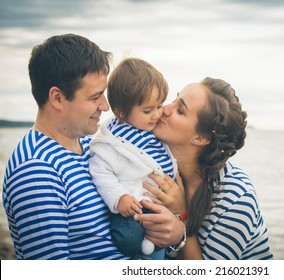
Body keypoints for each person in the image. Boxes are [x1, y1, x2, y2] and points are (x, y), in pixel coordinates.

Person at [1, 34, 185, 260]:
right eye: (95, 96)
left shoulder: (94, 146)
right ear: (57, 98)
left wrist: (177, 231)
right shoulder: (36, 172)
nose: (105, 106)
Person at [135, 77, 273, 260]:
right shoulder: (157, 168)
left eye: (180, 110)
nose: (165, 109)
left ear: (200, 138)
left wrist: (181, 217)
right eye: (174, 99)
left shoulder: (237, 197)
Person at [89, 57, 177, 259]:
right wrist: (120, 197)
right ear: (121, 112)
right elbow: (100, 173)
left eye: (159, 105)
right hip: (132, 204)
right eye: (147, 110)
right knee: (128, 238)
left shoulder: (154, 130)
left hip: (158, 204)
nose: (156, 114)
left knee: (160, 242)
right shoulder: (111, 142)